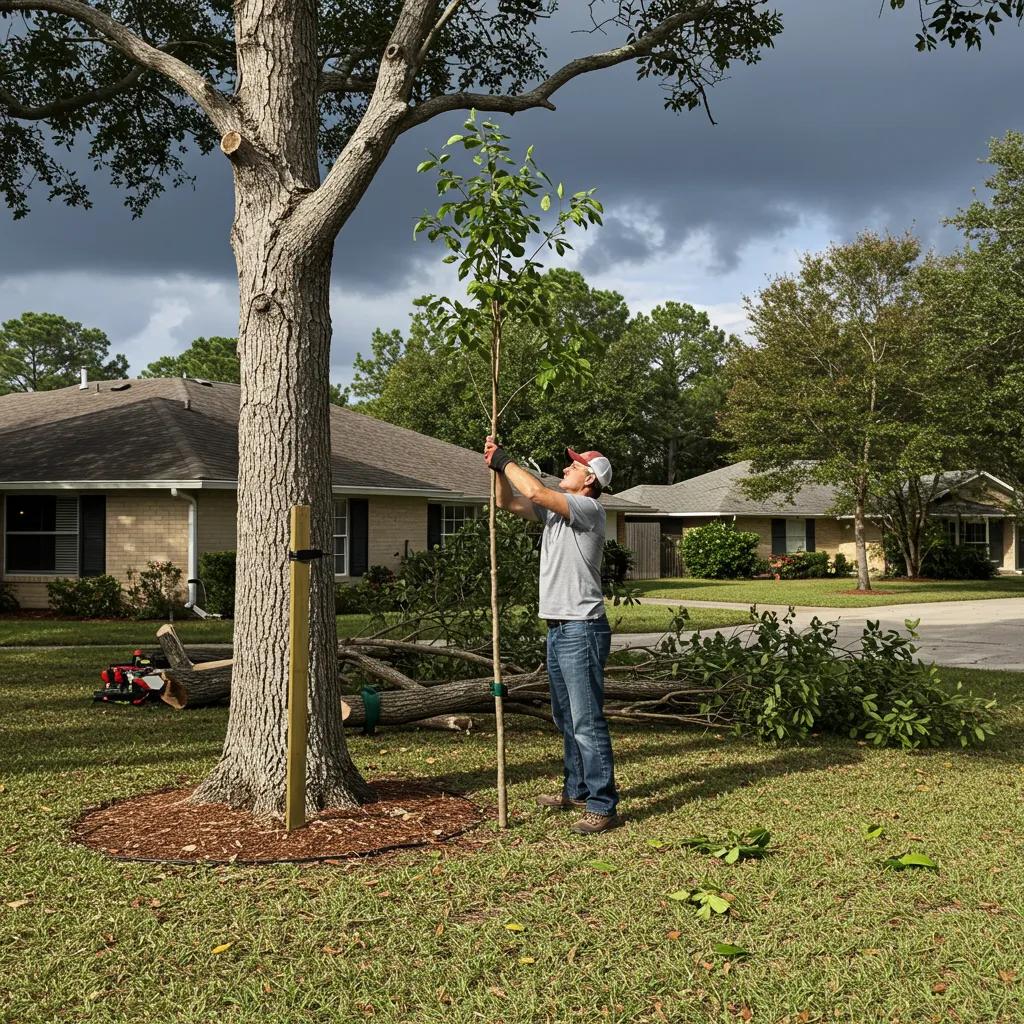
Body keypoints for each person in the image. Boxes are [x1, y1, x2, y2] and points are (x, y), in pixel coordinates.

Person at [483, 435, 620, 834]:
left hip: (583, 628)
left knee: (586, 720)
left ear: (590, 479)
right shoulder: (559, 515)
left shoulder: (588, 509)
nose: (565, 469)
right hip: (559, 628)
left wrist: (505, 458)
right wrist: (495, 468)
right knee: (565, 715)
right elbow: (507, 502)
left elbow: (538, 492)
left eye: (573, 466)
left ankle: (602, 803)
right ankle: (576, 790)